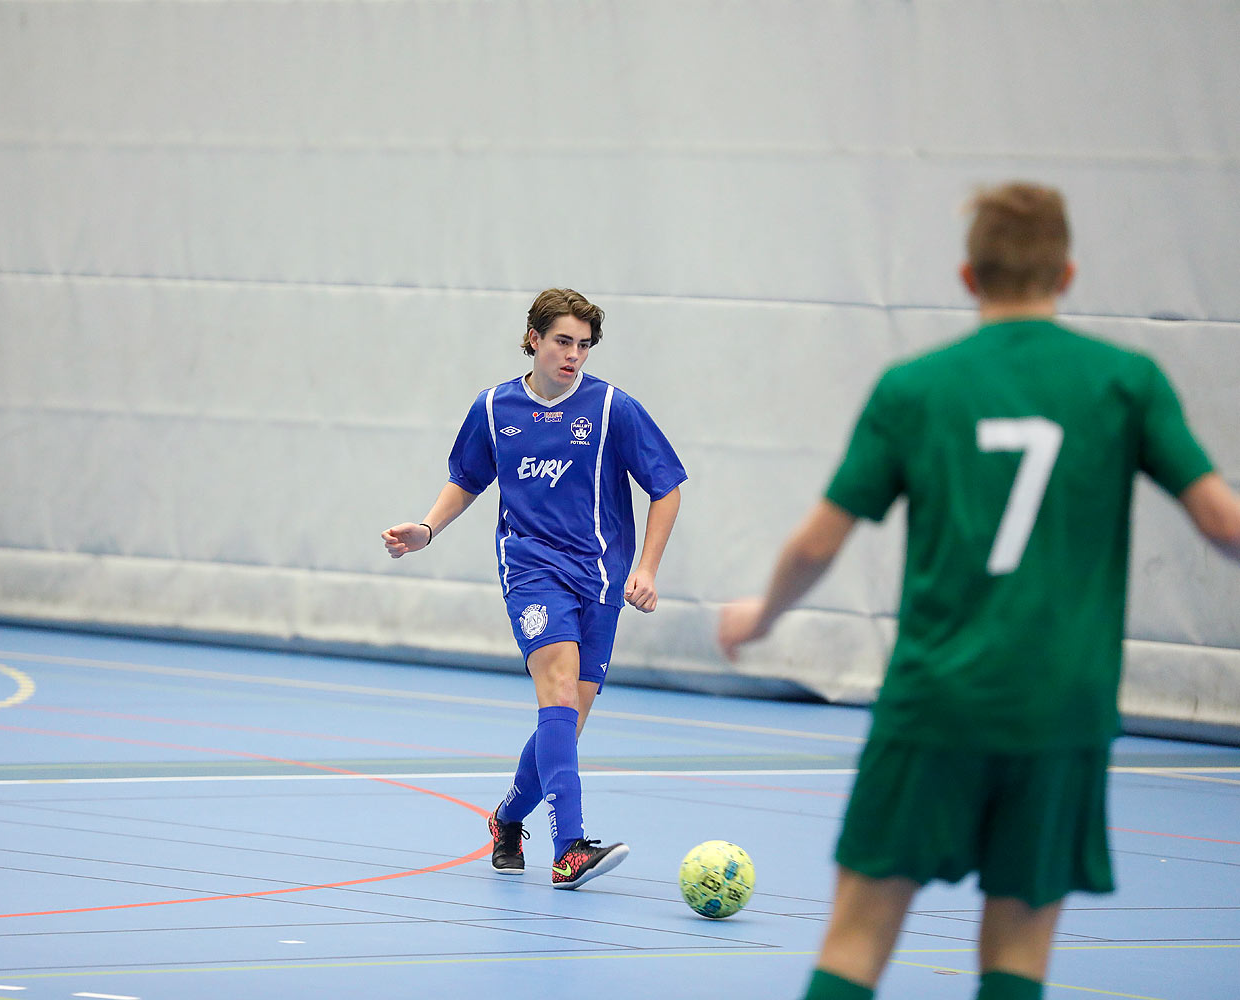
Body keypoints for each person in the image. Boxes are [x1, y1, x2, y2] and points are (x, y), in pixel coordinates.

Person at [717, 182, 1240, 1000]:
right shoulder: (1126, 381)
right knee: (1019, 953)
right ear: (1066, 273)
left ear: (969, 278)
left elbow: (820, 541)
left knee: (858, 936)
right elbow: (1222, 523)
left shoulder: (916, 387)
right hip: (1061, 708)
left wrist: (763, 614)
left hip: (937, 699)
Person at [384, 288, 686, 889]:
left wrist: (646, 568)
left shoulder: (611, 409)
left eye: (583, 345)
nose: (573, 355)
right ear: (534, 339)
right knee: (556, 691)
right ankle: (569, 847)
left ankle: (507, 820)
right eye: (561, 342)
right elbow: (467, 479)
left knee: (566, 722)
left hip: (599, 578)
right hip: (530, 569)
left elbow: (667, 486)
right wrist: (426, 528)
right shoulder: (494, 407)